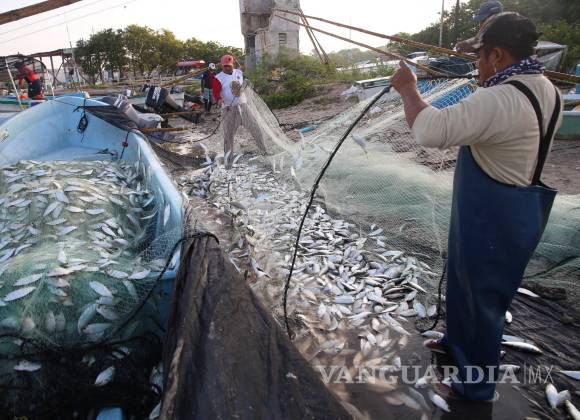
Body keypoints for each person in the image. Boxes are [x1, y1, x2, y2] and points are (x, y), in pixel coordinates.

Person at [390, 13, 563, 401]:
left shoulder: (499, 98)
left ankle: (475, 386)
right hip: (509, 207)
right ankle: (456, 343)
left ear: (497, 56)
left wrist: (408, 89)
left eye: (479, 56)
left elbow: (430, 130)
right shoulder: (545, 87)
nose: (476, 64)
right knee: (463, 280)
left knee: (484, 301)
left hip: (495, 214)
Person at [212, 54, 267, 169]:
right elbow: (216, 94)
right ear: (222, 66)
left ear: (233, 64)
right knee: (228, 136)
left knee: (256, 128)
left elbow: (243, 85)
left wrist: (247, 83)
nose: (227, 68)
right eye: (225, 66)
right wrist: (220, 101)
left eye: (229, 66)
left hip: (243, 106)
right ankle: (228, 163)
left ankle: (264, 151)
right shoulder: (218, 78)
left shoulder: (239, 73)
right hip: (229, 109)